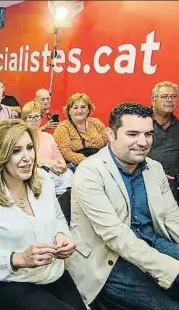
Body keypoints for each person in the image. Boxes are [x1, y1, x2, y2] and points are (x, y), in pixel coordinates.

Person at [68, 102, 179, 309]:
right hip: (109, 261)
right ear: (111, 134)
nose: (143, 142)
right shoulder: (89, 172)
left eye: (148, 134)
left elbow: (173, 220)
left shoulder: (154, 168)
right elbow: (115, 236)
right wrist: (171, 268)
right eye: (133, 134)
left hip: (152, 243)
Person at [0, 119, 84, 310]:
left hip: (52, 274)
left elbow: (59, 219)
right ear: (0, 155)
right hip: (10, 283)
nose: (28, 157)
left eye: (30, 147)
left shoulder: (43, 179)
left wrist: (62, 236)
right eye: (16, 151)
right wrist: (17, 259)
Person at [22, 101, 73, 195]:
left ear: (41, 118)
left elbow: (57, 154)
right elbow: (28, 157)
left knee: (69, 175)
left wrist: (61, 164)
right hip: (35, 172)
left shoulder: (48, 137)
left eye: (36, 116)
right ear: (24, 119)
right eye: (30, 117)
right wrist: (50, 163)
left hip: (55, 171)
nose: (33, 120)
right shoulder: (22, 137)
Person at [54, 93, 109, 169]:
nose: (79, 110)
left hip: (101, 162)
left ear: (88, 110)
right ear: (69, 111)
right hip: (77, 165)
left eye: (83, 107)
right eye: (75, 107)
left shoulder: (96, 123)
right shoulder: (63, 127)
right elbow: (66, 153)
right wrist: (89, 162)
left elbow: (108, 144)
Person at [148, 81, 179, 203]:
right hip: (146, 179)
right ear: (153, 100)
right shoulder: (141, 122)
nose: (170, 100)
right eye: (165, 97)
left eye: (173, 97)